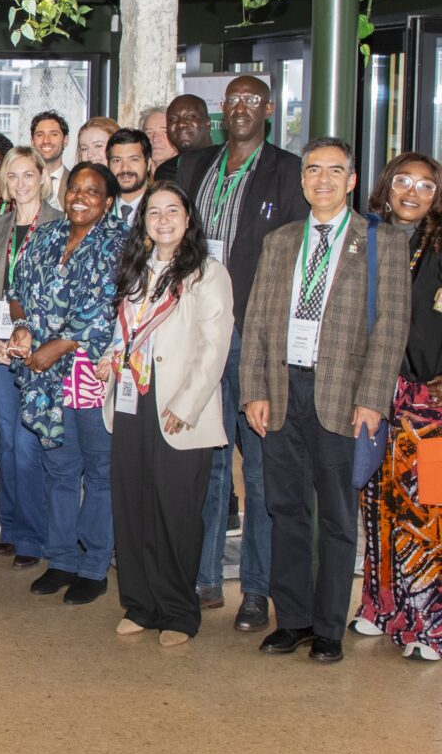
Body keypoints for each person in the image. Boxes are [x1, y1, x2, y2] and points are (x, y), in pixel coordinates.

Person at [241, 137, 409, 664]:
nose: (323, 180)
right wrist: (253, 391)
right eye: (314, 170)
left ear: (352, 181)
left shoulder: (381, 243)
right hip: (282, 389)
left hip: (343, 395)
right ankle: (293, 620)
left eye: (335, 171)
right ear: (302, 179)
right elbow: (257, 322)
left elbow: (391, 329)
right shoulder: (280, 241)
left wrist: (373, 399)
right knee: (285, 508)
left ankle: (330, 627)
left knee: (337, 516)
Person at [175, 74, 307, 628]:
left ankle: (255, 589)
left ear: (269, 110)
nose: (241, 107)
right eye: (232, 100)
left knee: (257, 471)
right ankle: (204, 579)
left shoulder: (289, 172)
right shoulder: (194, 166)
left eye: (252, 100)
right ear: (221, 110)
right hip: (200, 334)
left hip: (255, 340)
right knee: (206, 462)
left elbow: (295, 262)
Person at [99, 182, 233, 646]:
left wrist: (186, 403)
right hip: (132, 397)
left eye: (172, 210)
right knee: (132, 504)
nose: (163, 219)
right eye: (154, 212)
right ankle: (139, 603)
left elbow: (214, 347)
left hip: (178, 405)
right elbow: (126, 332)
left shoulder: (207, 272)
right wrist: (110, 358)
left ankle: (177, 612)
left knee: (175, 511)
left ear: (188, 219)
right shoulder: (137, 268)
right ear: (144, 223)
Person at [7, 162, 127, 606]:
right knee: (58, 469)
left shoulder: (121, 242)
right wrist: (22, 328)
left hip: (88, 372)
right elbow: (17, 289)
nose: (80, 197)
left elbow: (106, 306)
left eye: (92, 191)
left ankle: (94, 566)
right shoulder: (45, 235)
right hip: (44, 375)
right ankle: (60, 559)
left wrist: (57, 346)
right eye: (75, 188)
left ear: (108, 201)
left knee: (98, 472)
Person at [354, 153, 442, 661]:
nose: (413, 192)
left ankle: (429, 623)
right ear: (386, 187)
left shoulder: (439, 244)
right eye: (404, 181)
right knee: (376, 501)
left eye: (426, 185)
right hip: (375, 392)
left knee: (428, 507)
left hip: (429, 401)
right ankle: (381, 606)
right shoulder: (367, 239)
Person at [0, 146, 60, 569]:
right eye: (13, 176)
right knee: (6, 445)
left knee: (28, 445)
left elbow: (62, 296)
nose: (21, 183)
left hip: (38, 352)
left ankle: (32, 534)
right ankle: (10, 529)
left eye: (29, 174)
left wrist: (32, 341)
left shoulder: (61, 225)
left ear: (43, 177)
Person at [154, 94, 211, 182]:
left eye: (190, 117)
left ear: (208, 123)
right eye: (173, 119)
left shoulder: (225, 163)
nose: (181, 124)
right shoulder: (165, 172)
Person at [106, 128, 152, 225]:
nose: (125, 168)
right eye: (117, 160)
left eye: (134, 160)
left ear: (148, 164)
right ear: (108, 165)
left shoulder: (160, 206)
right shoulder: (99, 207)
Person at [30, 111, 70, 210]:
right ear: (32, 141)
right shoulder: (22, 183)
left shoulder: (74, 181)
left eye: (54, 134)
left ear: (65, 140)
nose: (46, 141)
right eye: (40, 135)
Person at [141, 105, 175, 171]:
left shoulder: (190, 174)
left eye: (164, 132)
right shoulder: (134, 175)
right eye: (149, 132)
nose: (155, 139)